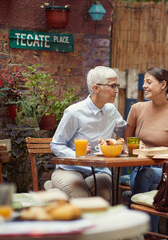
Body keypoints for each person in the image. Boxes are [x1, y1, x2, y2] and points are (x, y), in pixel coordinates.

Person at [124, 67, 168, 231]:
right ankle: (147, 232)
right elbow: (126, 142)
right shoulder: (137, 109)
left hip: (165, 172)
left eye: (149, 82)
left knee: (148, 175)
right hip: (138, 168)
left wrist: (154, 152)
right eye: (144, 82)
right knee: (144, 175)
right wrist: (136, 148)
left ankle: (140, 231)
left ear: (163, 85)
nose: (144, 85)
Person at [50, 66, 126, 202]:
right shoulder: (74, 112)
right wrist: (77, 155)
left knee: (103, 199)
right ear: (96, 88)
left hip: (99, 170)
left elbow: (125, 131)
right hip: (69, 170)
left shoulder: (111, 110)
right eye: (112, 86)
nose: (116, 90)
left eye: (117, 85)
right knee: (83, 198)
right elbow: (56, 144)